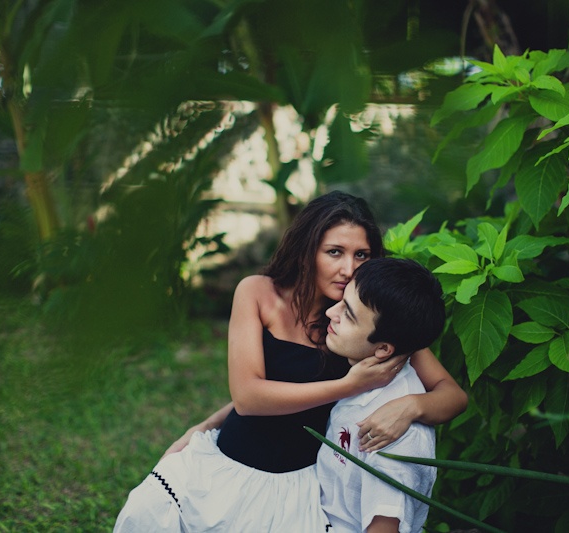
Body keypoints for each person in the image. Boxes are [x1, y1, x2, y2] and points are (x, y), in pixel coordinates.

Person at [114, 191, 467, 532]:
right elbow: (248, 397)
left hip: (298, 483)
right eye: (334, 252)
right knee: (148, 513)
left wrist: (410, 406)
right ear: (307, 251)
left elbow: (452, 396)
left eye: (362, 255)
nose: (348, 268)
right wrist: (203, 427)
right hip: (229, 457)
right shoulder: (258, 293)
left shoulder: (372, 321)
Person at [318, 257, 445, 533]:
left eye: (348, 314)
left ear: (384, 349)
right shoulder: (370, 376)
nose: (330, 312)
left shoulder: (395, 435)